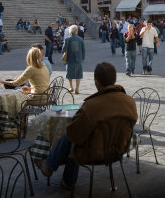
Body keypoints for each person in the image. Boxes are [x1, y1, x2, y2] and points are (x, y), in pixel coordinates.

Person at [35, 62, 138, 190]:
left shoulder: (91, 106)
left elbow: (74, 135)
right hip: (119, 148)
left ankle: (55, 169)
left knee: (71, 138)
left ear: (97, 82)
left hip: (95, 152)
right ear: (114, 79)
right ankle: (53, 167)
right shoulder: (130, 101)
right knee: (76, 137)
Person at [62, 25, 85, 94]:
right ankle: (77, 88)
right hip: (79, 58)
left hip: (70, 59)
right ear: (76, 31)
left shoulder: (67, 39)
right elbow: (83, 50)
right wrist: (83, 57)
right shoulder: (81, 39)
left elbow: (63, 49)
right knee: (78, 73)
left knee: (69, 73)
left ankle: (71, 86)